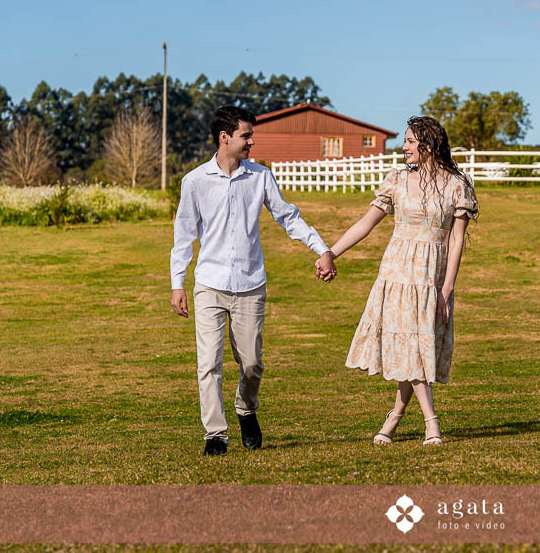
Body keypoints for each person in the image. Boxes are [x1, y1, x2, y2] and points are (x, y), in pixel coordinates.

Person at [171, 105, 336, 456]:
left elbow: (288, 217)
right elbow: (184, 236)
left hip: (250, 286)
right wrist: (177, 283)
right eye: (246, 135)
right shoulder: (195, 182)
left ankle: (246, 408)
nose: (252, 141)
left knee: (251, 364)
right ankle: (215, 435)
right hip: (210, 285)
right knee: (208, 364)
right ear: (224, 137)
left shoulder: (260, 177)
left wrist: (320, 249)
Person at [320, 116, 478, 446]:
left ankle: (394, 418)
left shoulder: (456, 185)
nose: (403, 147)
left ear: (427, 145)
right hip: (396, 272)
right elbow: (366, 224)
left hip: (431, 276)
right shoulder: (396, 180)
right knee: (410, 346)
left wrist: (446, 289)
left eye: (408, 141)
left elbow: (456, 240)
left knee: (416, 346)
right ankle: (430, 423)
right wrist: (331, 253)